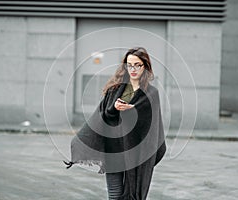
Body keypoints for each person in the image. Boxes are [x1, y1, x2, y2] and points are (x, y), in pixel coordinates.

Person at [65, 47, 166, 200]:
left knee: (133, 195)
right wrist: (115, 108)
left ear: (145, 66)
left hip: (136, 152)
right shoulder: (115, 89)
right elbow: (104, 114)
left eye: (137, 65)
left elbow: (151, 124)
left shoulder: (151, 93)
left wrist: (134, 112)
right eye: (129, 64)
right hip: (114, 149)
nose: (133, 69)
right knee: (114, 195)